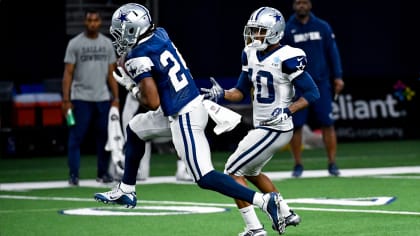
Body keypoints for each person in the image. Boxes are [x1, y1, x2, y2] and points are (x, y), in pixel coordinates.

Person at [93, 3, 286, 233]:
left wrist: (131, 87)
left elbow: (152, 101)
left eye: (121, 31)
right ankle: (126, 189)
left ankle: (265, 201)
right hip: (183, 105)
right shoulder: (159, 33)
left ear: (134, 29)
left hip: (184, 114)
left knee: (204, 177)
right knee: (135, 128)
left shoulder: (137, 56)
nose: (118, 37)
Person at [201, 6, 319, 235]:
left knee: (232, 170)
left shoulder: (287, 57)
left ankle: (254, 228)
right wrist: (222, 94)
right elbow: (240, 91)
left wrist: (289, 110)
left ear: (275, 32)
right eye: (253, 31)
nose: (254, 36)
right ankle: (286, 213)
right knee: (251, 170)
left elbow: (313, 93)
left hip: (276, 127)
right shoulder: (250, 53)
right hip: (263, 126)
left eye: (259, 31)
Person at [281, 0, 345, 177]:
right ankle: (298, 165)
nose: (301, 6)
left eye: (305, 2)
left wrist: (338, 76)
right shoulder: (286, 29)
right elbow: (279, 56)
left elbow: (333, 52)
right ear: (294, 5)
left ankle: (332, 163)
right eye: (298, 3)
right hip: (297, 85)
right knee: (296, 125)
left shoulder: (322, 26)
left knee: (327, 123)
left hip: (321, 82)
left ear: (310, 5)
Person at [62, 8, 119, 186]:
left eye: (95, 20)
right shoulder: (75, 43)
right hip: (80, 98)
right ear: (85, 22)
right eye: (89, 20)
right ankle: (74, 175)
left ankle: (103, 173)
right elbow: (68, 73)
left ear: (100, 22)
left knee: (104, 137)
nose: (92, 23)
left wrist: (116, 98)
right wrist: (66, 100)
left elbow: (111, 73)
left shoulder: (107, 44)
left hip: (102, 97)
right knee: (76, 137)